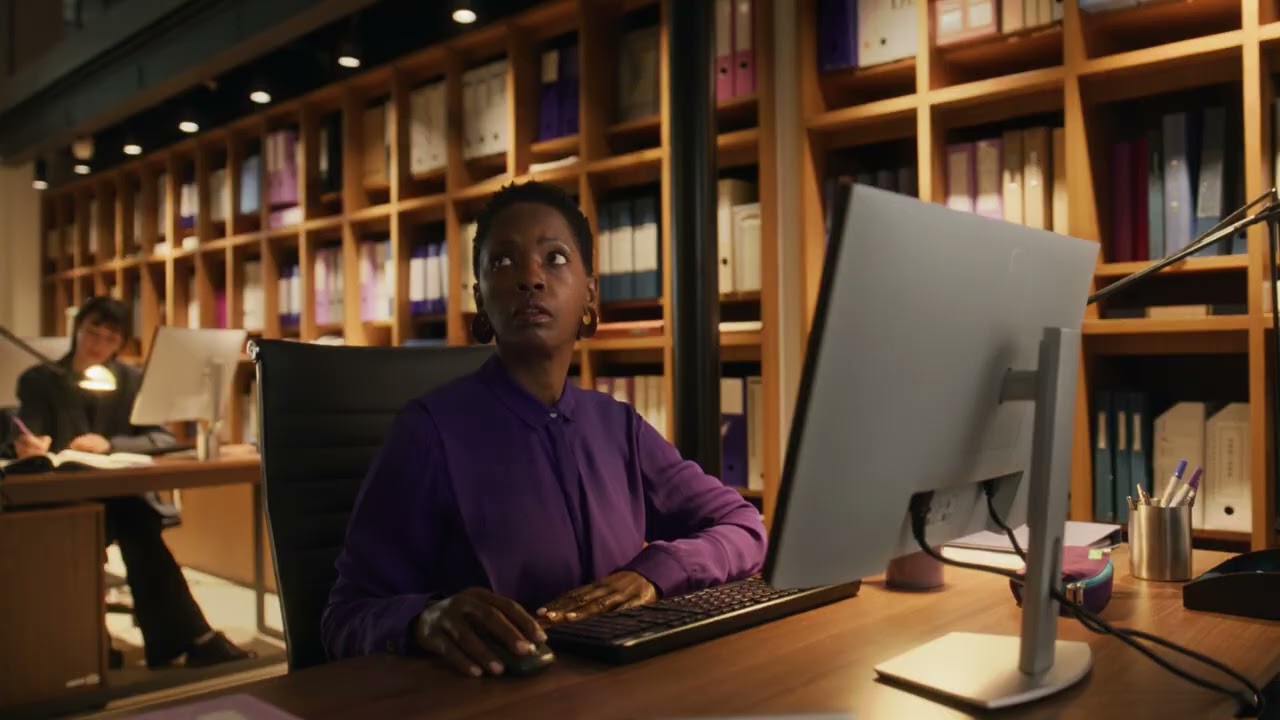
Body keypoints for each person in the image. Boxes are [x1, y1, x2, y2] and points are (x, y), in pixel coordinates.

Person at [323, 181, 767, 676]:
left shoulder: (619, 426)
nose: (530, 278)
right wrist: (424, 620)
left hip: (623, 693)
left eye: (554, 259)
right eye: (503, 262)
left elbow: (744, 526)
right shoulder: (428, 432)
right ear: (480, 300)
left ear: (590, 293)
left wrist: (656, 573)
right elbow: (346, 616)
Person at [7, 296, 252, 669]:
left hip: (117, 495)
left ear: (120, 343)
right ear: (78, 328)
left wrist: (111, 444)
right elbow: (27, 433)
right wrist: (28, 445)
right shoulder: (42, 380)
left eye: (110, 338)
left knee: (137, 521)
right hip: (62, 497)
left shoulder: (130, 381)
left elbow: (161, 439)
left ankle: (166, 641)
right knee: (120, 524)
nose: (98, 344)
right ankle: (147, 641)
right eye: (93, 332)